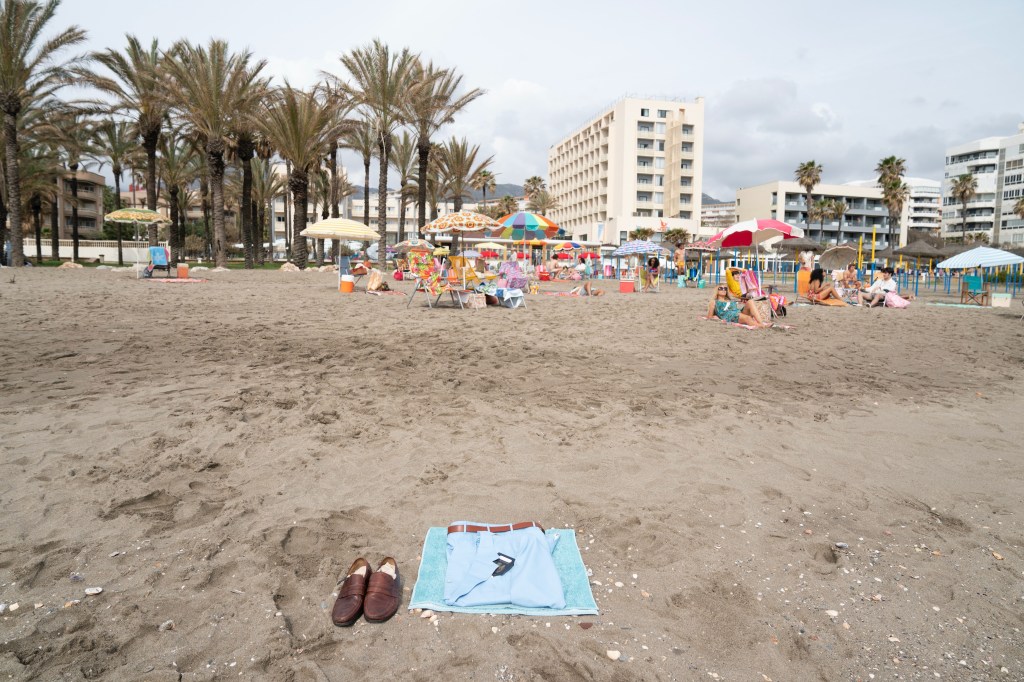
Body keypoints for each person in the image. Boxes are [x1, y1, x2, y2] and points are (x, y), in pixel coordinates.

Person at [705, 285, 770, 326]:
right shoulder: (714, 302)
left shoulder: (729, 300)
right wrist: (715, 317)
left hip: (738, 313)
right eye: (721, 288)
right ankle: (762, 326)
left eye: (725, 288)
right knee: (748, 318)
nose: (723, 290)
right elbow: (709, 316)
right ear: (717, 290)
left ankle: (760, 323)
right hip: (729, 316)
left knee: (750, 302)